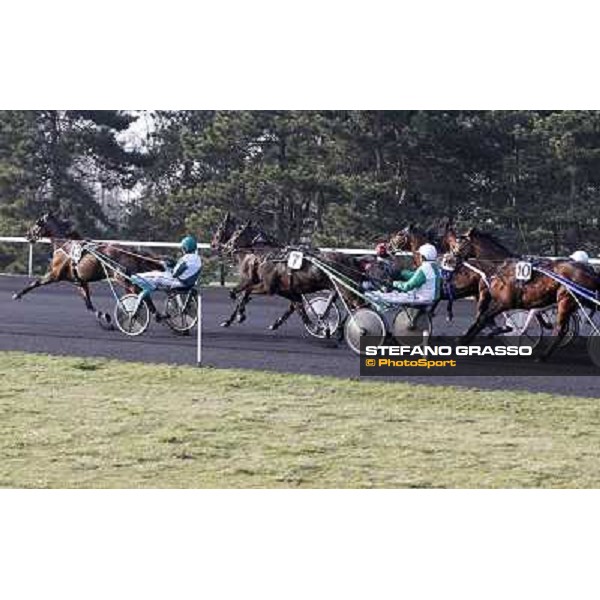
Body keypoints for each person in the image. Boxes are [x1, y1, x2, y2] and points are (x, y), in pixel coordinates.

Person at [132, 235, 202, 319]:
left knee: (155, 275)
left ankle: (135, 278)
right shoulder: (198, 259)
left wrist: (166, 265)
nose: (182, 250)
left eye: (183, 248)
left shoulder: (185, 259)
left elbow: (175, 273)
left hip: (177, 282)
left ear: (186, 248)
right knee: (160, 273)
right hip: (188, 283)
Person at [366, 243, 441, 304]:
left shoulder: (424, 268)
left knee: (375, 295)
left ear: (424, 257)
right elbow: (416, 276)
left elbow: (407, 286)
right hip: (432, 297)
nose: (419, 257)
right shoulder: (435, 267)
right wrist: (402, 273)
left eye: (420, 255)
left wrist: (393, 283)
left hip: (422, 298)